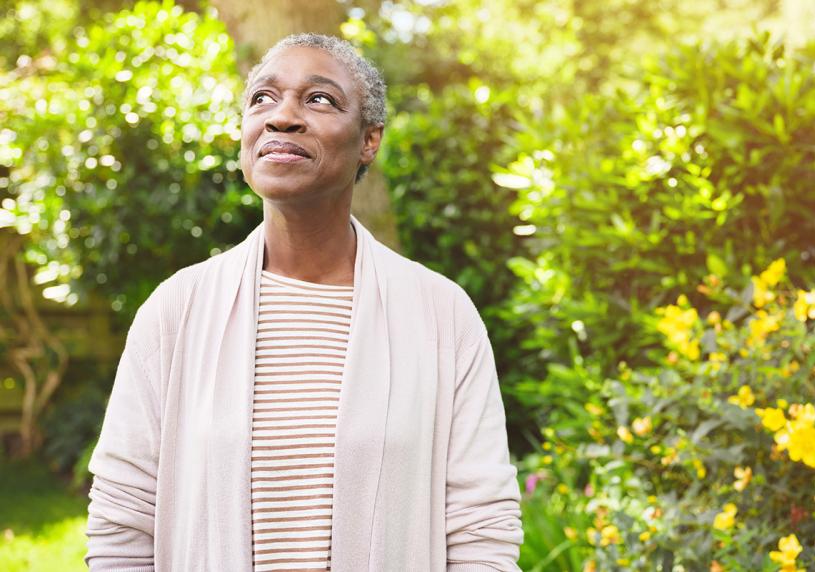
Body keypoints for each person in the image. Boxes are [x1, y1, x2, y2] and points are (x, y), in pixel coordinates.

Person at [84, 33, 523, 571]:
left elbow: (481, 528)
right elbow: (123, 519)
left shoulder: (442, 316)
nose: (281, 117)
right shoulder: (177, 311)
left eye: (319, 99)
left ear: (369, 140)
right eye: (262, 99)